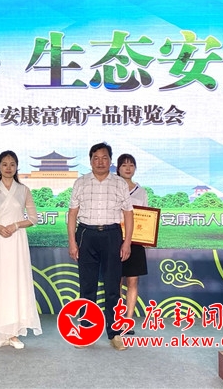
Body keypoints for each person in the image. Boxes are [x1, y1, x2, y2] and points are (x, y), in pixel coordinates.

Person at [67, 142, 133, 351]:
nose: (100, 162)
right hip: (86, 234)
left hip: (112, 235)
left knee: (113, 287)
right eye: (96, 158)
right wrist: (72, 241)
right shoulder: (81, 182)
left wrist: (127, 242)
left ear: (110, 160)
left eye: (104, 158)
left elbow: (128, 213)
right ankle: (87, 332)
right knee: (87, 287)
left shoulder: (119, 183)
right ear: (90, 161)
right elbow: (72, 214)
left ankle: (114, 333)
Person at [0, 150, 42, 349]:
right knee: (0, 282)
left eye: (12, 164)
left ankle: (13, 333)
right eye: (4, 164)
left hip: (17, 241)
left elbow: (33, 218)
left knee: (16, 282)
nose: (8, 168)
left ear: (17, 167)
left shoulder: (24, 190)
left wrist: (15, 226)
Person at [117, 153, 148, 336]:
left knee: (132, 281)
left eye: (131, 165)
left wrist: (147, 236)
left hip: (135, 241)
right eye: (124, 165)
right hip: (114, 239)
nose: (128, 168)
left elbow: (147, 217)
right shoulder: (112, 188)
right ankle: (116, 319)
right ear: (118, 168)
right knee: (115, 281)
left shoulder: (141, 191)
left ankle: (128, 320)